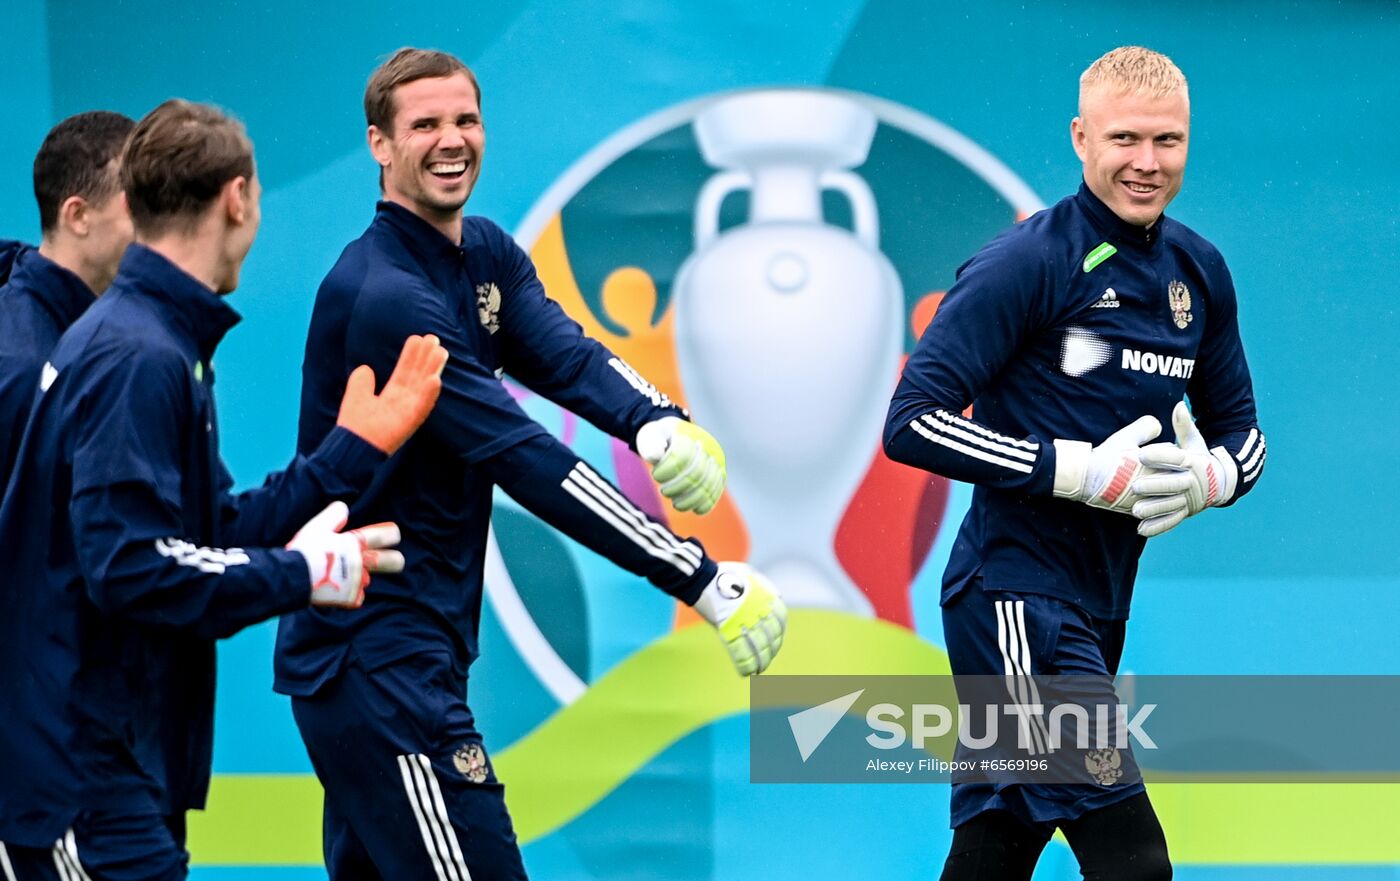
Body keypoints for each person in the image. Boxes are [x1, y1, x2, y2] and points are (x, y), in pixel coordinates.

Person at [275, 47, 787, 880]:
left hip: (402, 656)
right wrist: (696, 574)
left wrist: (655, 421)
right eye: (425, 125)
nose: (452, 141)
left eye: (466, 120)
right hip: (378, 657)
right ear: (378, 144)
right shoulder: (387, 295)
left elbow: (567, 356)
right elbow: (526, 456)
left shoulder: (483, 253)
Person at [0, 99, 449, 880]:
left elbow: (208, 527)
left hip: (115, 765)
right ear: (237, 199)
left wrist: (349, 453)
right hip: (76, 778)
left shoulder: (155, 338)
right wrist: (305, 575)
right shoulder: (136, 351)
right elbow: (131, 564)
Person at [883, 46, 1266, 880]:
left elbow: (1244, 432)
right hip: (1013, 596)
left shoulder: (1198, 272)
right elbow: (911, 424)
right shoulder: (1027, 262)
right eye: (1124, 138)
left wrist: (1212, 480)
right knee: (1133, 857)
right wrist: (1074, 470)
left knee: (997, 844)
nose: (1146, 163)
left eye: (1168, 142)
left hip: (1096, 600)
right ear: (1080, 137)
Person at [0, 111, 136, 486]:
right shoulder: (19, 369)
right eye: (139, 207)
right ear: (77, 216)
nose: (157, 227)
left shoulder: (132, 335)